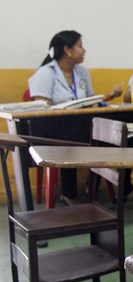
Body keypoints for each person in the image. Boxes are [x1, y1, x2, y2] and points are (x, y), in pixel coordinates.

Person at [28, 30, 123, 205]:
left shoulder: (82, 72)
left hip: (81, 125)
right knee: (71, 140)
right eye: (80, 46)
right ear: (67, 50)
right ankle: (68, 193)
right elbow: (41, 109)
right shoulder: (45, 73)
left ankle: (92, 188)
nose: (84, 50)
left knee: (108, 136)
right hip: (54, 130)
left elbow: (90, 100)